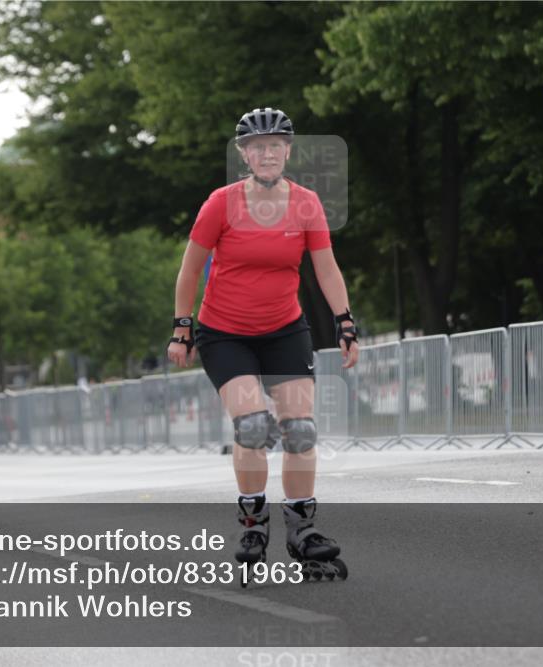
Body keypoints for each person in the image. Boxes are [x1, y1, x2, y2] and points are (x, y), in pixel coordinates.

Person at [167, 107, 359, 582]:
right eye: (258, 147)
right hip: (225, 332)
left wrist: (345, 321)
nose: (267, 153)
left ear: (287, 152)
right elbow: (190, 269)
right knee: (252, 426)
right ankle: (253, 522)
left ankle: (302, 528)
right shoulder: (220, 204)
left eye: (275, 145)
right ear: (244, 155)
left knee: (301, 431)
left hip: (284, 329)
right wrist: (181, 328)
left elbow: (326, 268)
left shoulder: (307, 204)